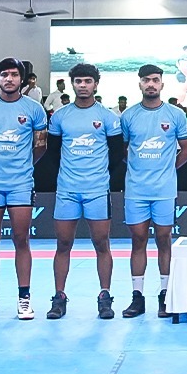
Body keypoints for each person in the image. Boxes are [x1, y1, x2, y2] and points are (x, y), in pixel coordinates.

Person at [0, 57, 49, 319]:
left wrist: (22, 165)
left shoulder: (34, 109)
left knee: (21, 239)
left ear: (22, 79)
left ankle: (24, 298)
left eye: (14, 75)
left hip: (20, 184)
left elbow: (40, 146)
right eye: (4, 74)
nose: (9, 79)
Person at [47, 63, 123, 319]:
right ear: (72, 84)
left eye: (87, 81)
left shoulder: (108, 117)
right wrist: (70, 175)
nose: (82, 85)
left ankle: (105, 296)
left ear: (95, 84)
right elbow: (53, 153)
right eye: (78, 81)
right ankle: (59, 297)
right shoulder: (60, 116)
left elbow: (116, 154)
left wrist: (98, 176)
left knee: (101, 243)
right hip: (67, 190)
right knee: (63, 244)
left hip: (97, 190)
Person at [120, 63, 187, 317]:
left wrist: (168, 169)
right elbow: (122, 149)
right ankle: (137, 297)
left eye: (155, 80)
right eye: (146, 80)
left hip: (164, 189)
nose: (150, 84)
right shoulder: (128, 116)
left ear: (162, 83)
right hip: (136, 190)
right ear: (139, 84)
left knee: (164, 239)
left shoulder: (175, 114)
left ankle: (165, 295)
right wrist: (138, 168)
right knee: (138, 240)